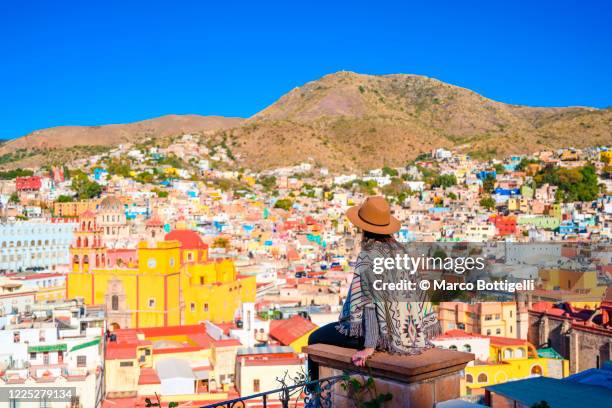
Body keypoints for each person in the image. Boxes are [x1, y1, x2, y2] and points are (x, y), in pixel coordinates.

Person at [307, 196, 441, 380]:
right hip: (408, 332)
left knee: (314, 338)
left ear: (364, 228)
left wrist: (369, 347)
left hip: (379, 335)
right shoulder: (401, 251)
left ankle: (313, 392)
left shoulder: (368, 256)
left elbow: (369, 305)